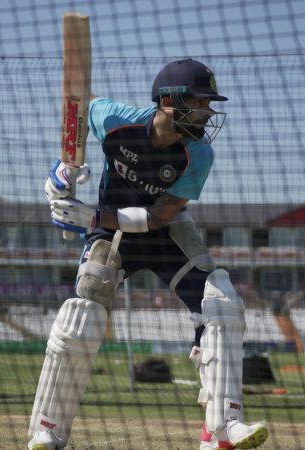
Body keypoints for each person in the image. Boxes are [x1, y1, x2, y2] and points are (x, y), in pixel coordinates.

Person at [28, 59, 269, 450]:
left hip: (164, 232)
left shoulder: (198, 155)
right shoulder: (115, 120)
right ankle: (48, 430)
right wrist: (63, 171)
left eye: (209, 104)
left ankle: (225, 426)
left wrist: (92, 215)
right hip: (111, 235)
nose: (208, 112)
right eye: (200, 102)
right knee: (84, 309)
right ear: (168, 101)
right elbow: (77, 105)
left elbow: (160, 216)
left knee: (222, 302)